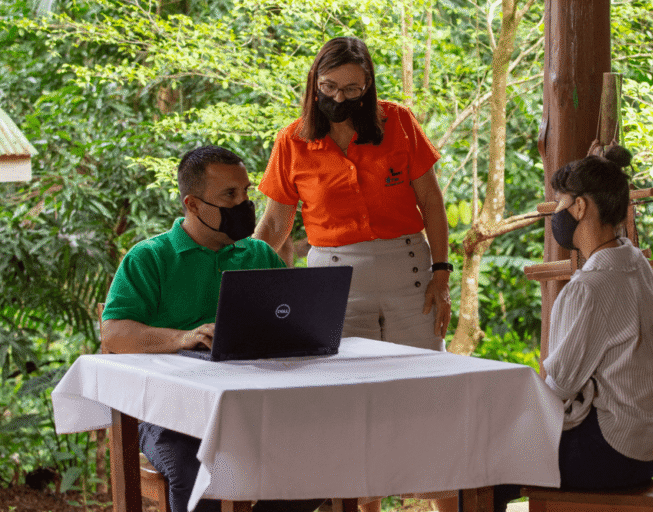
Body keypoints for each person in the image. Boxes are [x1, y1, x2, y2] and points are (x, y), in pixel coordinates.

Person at [255, 36, 456, 512]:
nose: (340, 97)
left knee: (425, 397)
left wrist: (443, 271)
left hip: (410, 273)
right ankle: (363, 505)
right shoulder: (292, 140)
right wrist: (242, 277)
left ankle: (445, 501)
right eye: (329, 86)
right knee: (347, 405)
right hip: (332, 280)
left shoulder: (399, 122)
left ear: (368, 85)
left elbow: (431, 202)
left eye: (352, 88)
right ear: (314, 84)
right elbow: (274, 225)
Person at [101, 145, 326, 512]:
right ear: (192, 204)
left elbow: (291, 320)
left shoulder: (259, 256)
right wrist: (183, 338)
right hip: (171, 414)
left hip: (258, 407)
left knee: (324, 462)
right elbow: (113, 333)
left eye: (246, 193)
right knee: (196, 475)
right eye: (229, 195)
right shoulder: (150, 258)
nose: (244, 204)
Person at [491, 146, 653, 512]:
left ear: (580, 207)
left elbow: (561, 386)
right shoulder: (636, 263)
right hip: (652, 447)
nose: (556, 213)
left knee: (485, 462)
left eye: (560, 202)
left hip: (613, 451)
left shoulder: (590, 287)